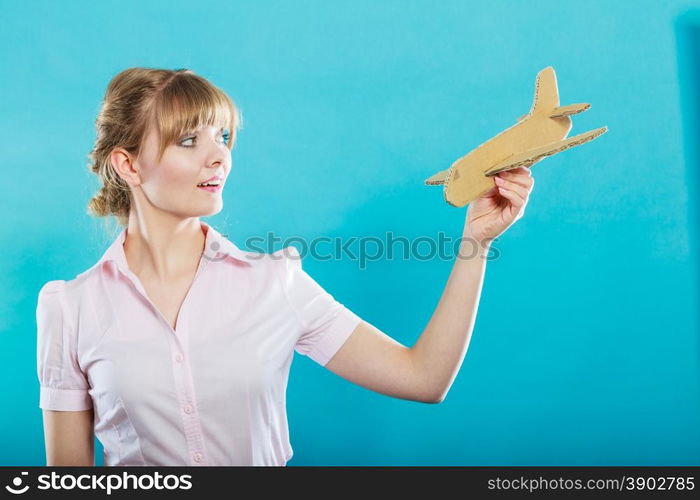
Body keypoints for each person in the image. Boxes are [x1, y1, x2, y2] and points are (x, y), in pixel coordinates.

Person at [36, 67, 534, 466]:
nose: (219, 158)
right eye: (189, 141)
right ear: (128, 165)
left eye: (223, 137)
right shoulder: (70, 307)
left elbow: (424, 379)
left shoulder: (274, 282)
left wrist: (475, 242)